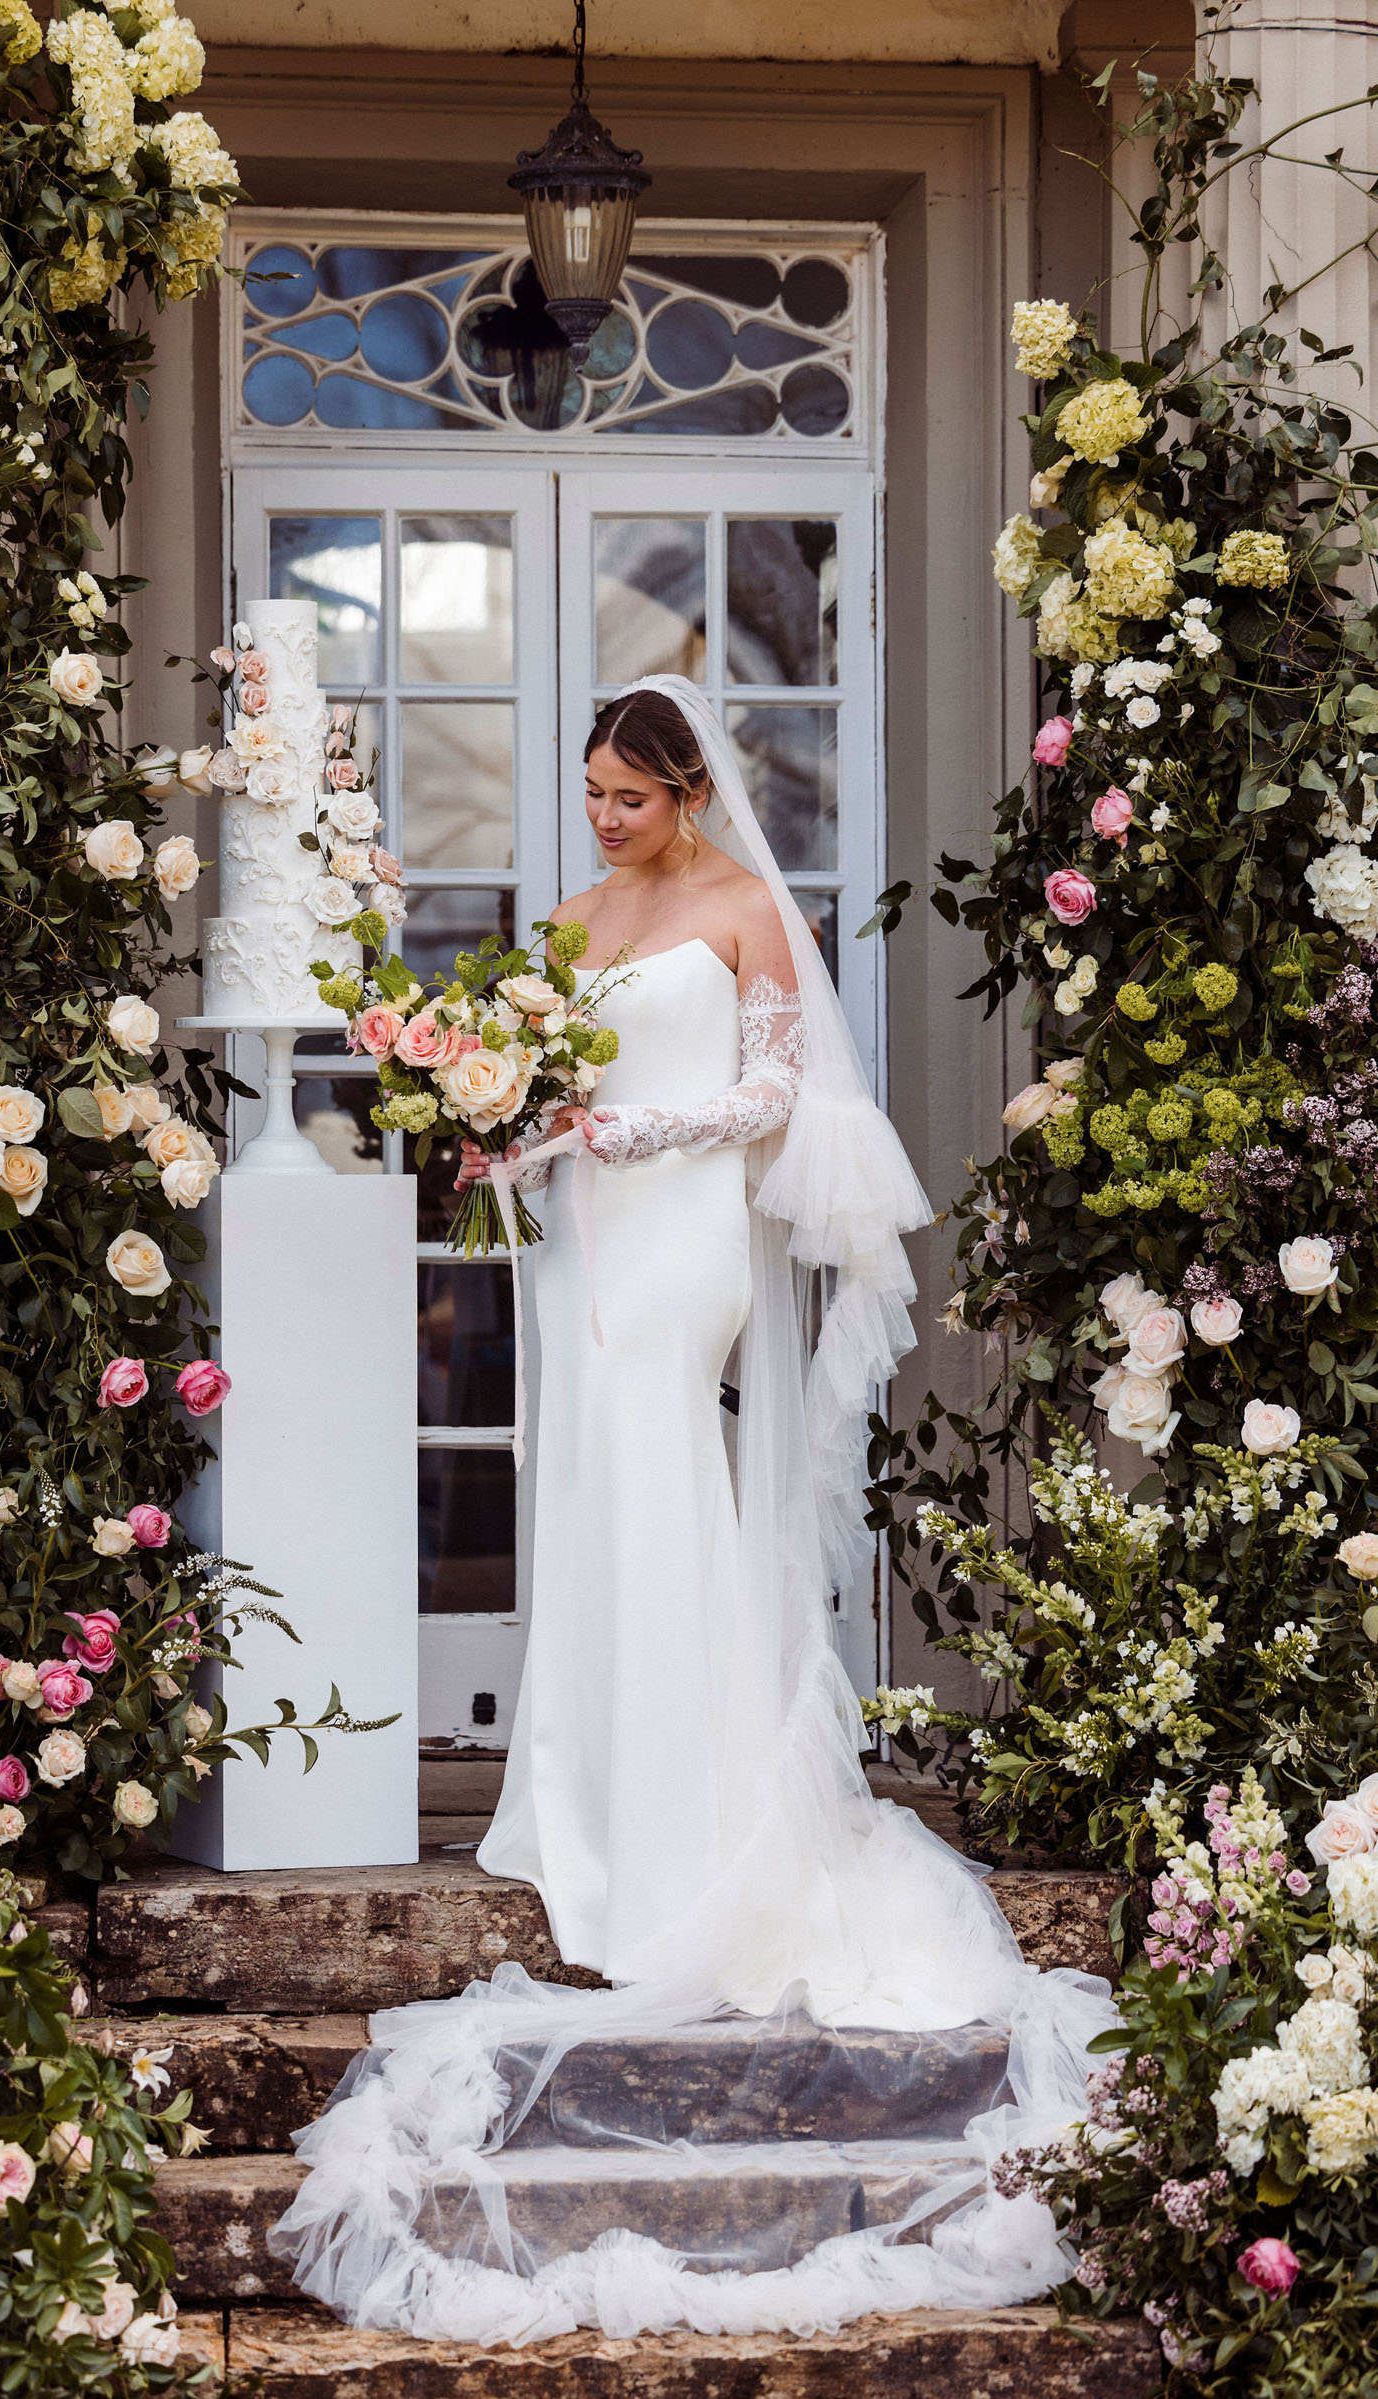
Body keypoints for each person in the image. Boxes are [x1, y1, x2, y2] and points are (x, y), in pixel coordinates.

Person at [268, 677, 1113, 2346]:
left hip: (684, 1247)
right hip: (587, 1233)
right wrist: (508, 1134)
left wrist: (622, 1121)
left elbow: (773, 1103)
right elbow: (526, 1083)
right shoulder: (569, 918)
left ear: (686, 791)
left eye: (626, 799)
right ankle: (584, 1785)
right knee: (587, 1484)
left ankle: (686, 1812)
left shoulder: (739, 914)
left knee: (659, 1464)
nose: (602, 821)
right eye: (587, 795)